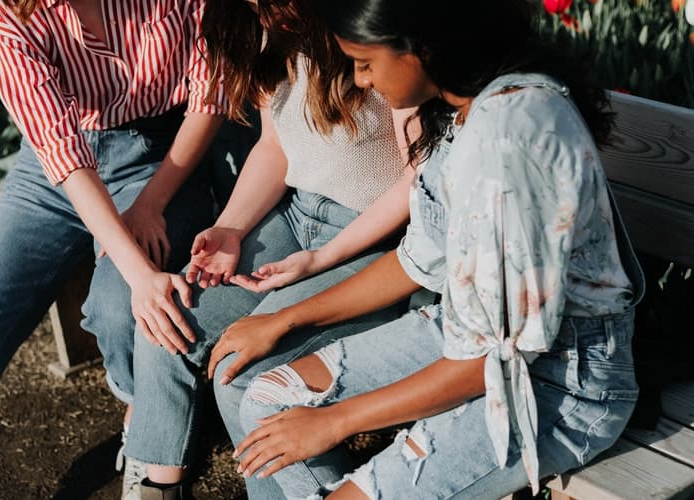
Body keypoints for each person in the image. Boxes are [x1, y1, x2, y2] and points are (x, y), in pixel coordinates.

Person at [228, 0, 646, 498]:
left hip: (559, 386)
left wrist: (335, 421)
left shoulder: (507, 142)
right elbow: (415, 263)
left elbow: (487, 362)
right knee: (265, 399)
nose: (360, 81)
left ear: (423, 47)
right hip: (466, 336)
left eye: (366, 63)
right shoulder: (462, 108)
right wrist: (285, 320)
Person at [0, 1, 232, 499]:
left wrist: (151, 204)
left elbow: (212, 92)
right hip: (55, 170)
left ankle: (144, 416)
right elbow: (60, 151)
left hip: (160, 156)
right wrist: (138, 269)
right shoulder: (4, 7)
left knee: (123, 309)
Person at [117, 0, 418, 498]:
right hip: (296, 219)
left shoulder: (368, 35)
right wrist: (231, 228)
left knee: (246, 375)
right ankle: (155, 487)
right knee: (165, 322)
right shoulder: (265, 31)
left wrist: (325, 257)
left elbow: (416, 181)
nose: (260, 10)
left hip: (373, 241)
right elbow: (275, 149)